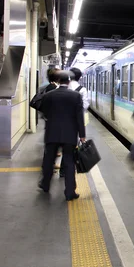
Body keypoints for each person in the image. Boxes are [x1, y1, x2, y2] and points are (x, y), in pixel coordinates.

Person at [38, 71, 85, 201]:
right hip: (70, 134)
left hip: (52, 133)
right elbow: (79, 117)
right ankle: (70, 192)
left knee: (49, 160)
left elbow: (44, 113)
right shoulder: (76, 96)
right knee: (69, 162)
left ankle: (45, 184)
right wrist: (82, 135)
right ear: (69, 82)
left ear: (58, 81)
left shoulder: (48, 95)